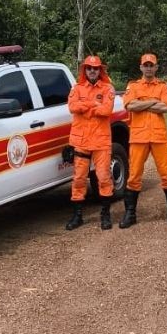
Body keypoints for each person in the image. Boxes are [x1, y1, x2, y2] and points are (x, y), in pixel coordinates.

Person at [119, 53, 167, 228]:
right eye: (146, 65)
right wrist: (153, 102)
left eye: (151, 65)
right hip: (138, 137)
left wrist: (142, 103)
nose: (148, 68)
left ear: (156, 67)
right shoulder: (133, 85)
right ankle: (130, 214)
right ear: (141, 67)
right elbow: (129, 106)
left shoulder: (163, 86)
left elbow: (166, 107)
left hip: (158, 137)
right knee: (134, 175)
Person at [65, 54, 115, 231]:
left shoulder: (108, 88)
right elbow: (72, 107)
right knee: (79, 178)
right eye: (89, 68)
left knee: (103, 177)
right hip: (81, 141)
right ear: (84, 70)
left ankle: (105, 215)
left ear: (100, 70)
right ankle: (77, 216)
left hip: (101, 141)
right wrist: (93, 104)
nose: (92, 71)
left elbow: (106, 110)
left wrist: (84, 106)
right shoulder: (77, 88)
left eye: (95, 68)